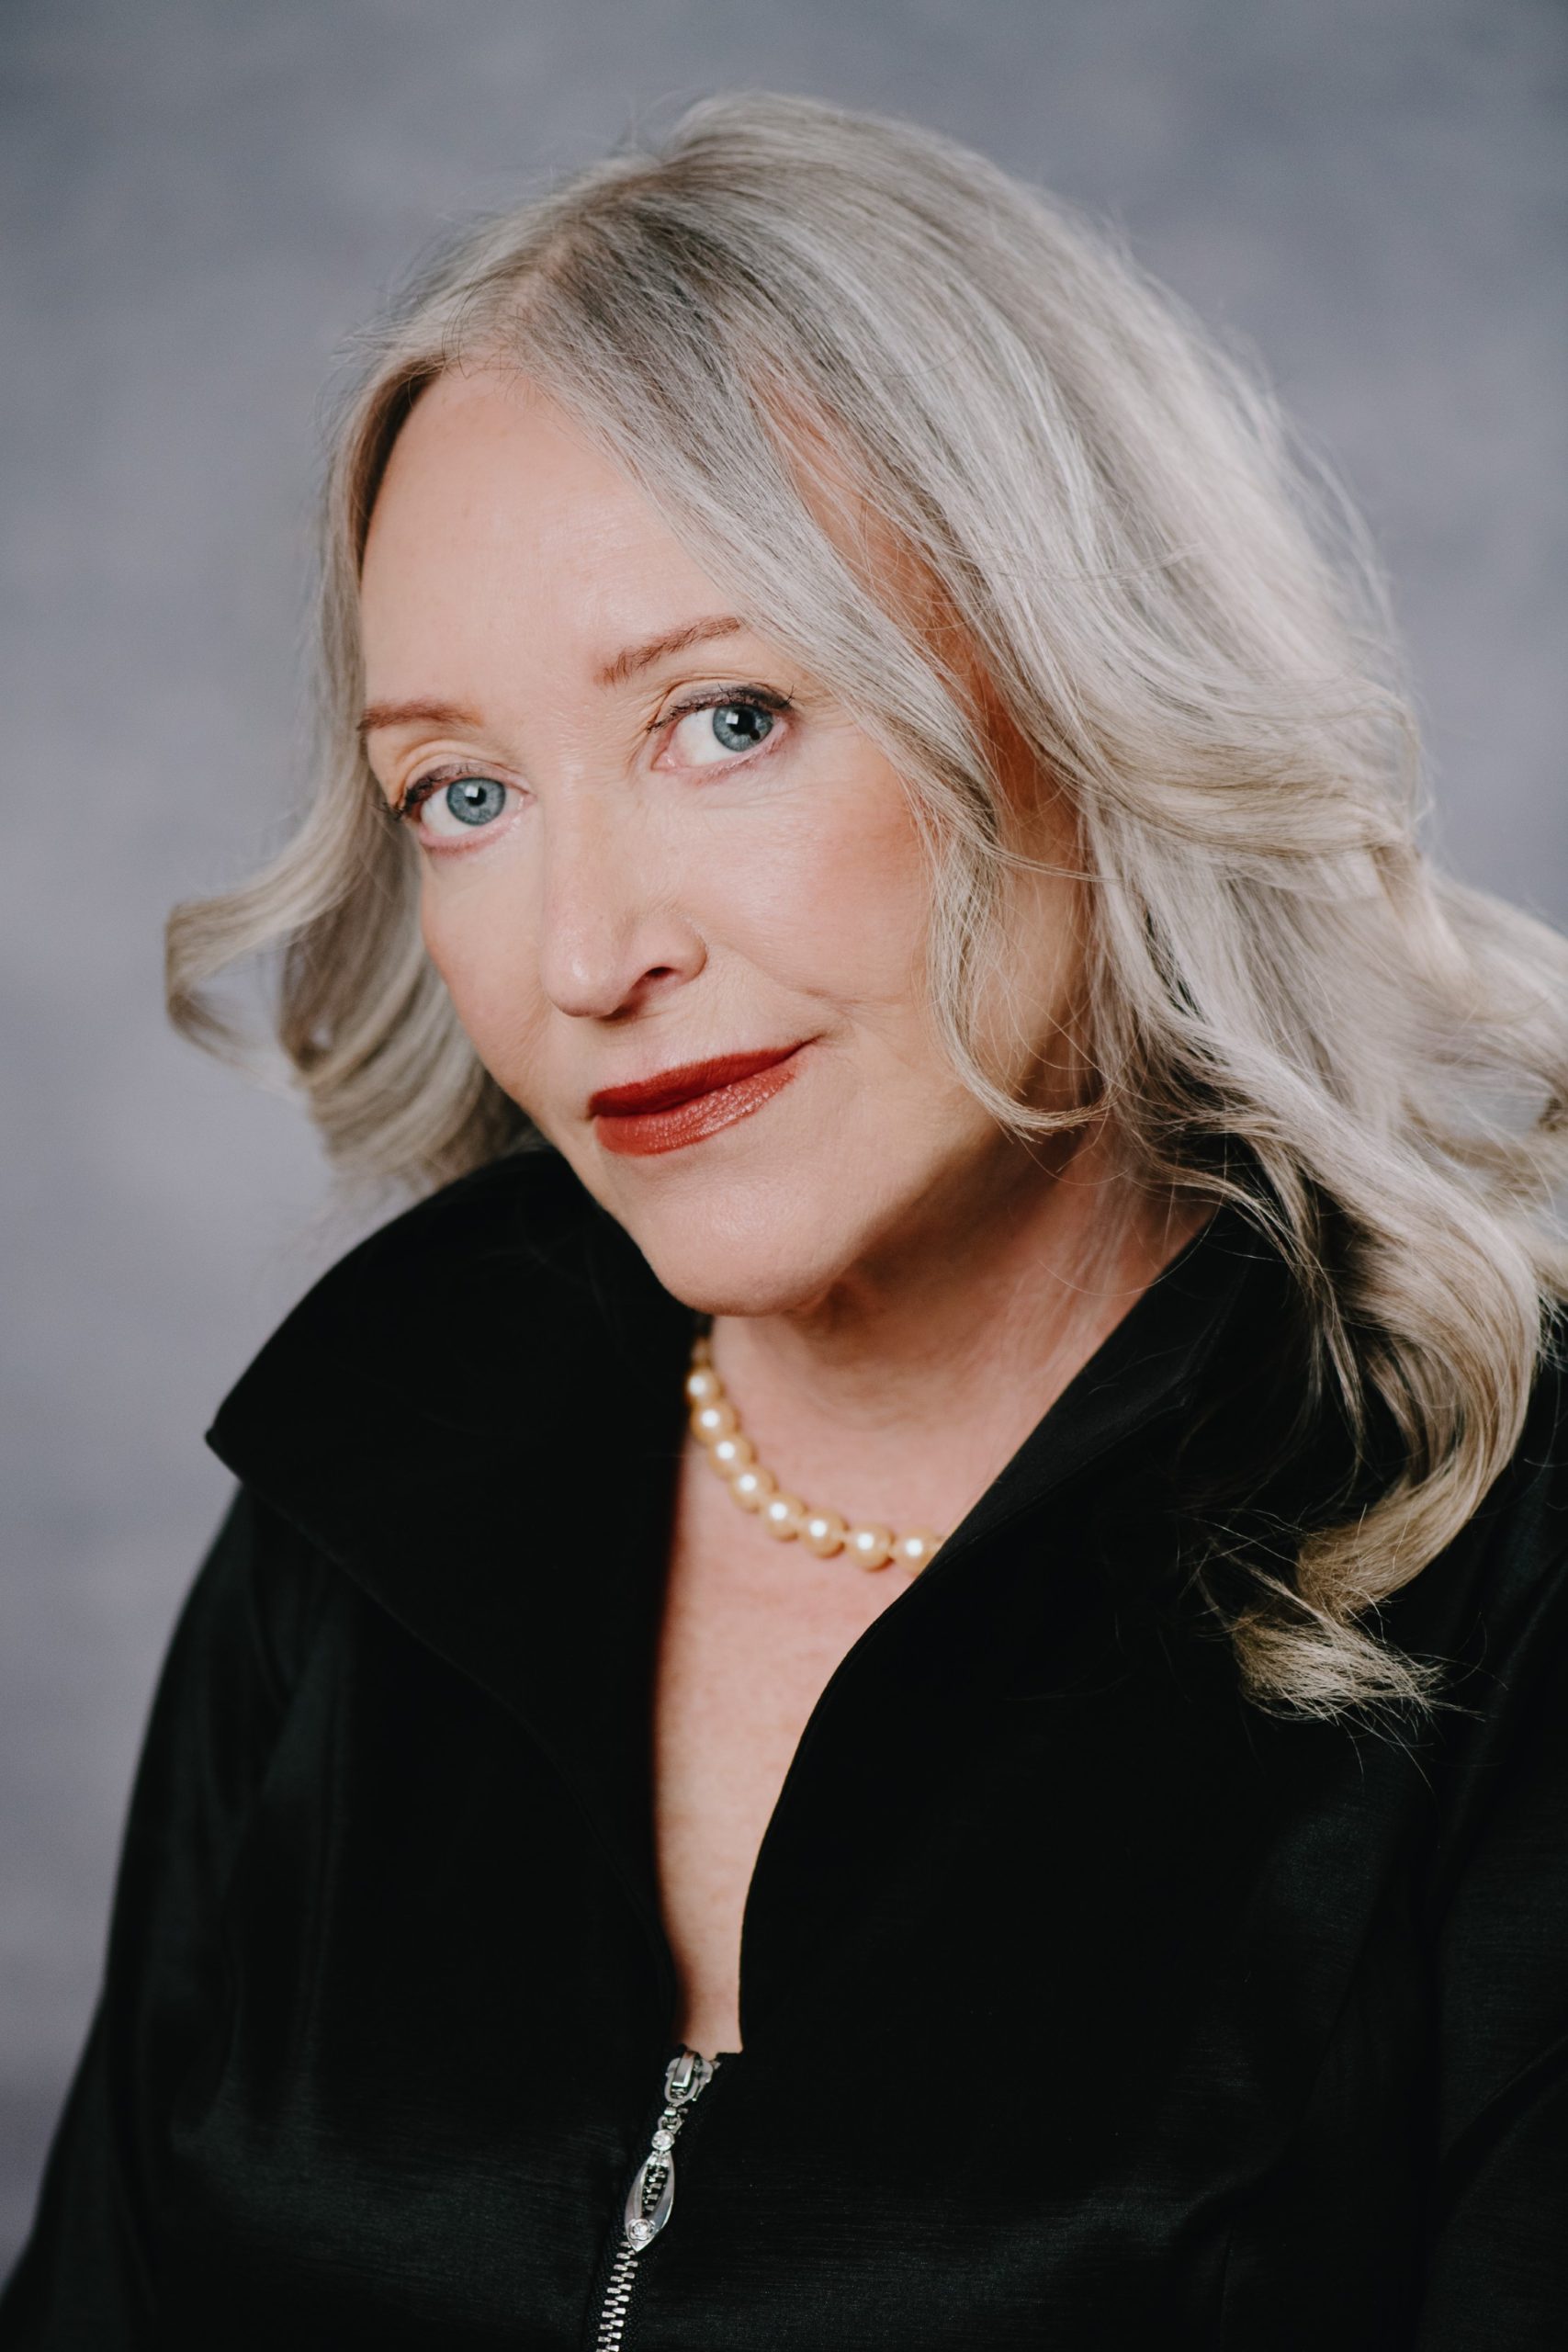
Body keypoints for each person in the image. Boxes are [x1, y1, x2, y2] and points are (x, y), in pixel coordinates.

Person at [4, 88, 1566, 2352]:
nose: (582, 950)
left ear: (1071, 684)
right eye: (460, 791)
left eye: (724, 719)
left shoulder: (1504, 1544)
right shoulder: (377, 1494)